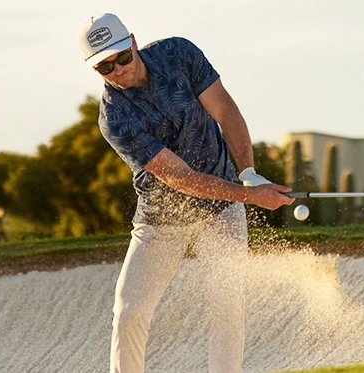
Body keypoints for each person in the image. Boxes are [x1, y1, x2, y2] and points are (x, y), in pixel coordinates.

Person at [77, 13, 294, 373]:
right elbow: (180, 177)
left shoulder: (178, 53)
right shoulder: (115, 117)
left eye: (122, 57)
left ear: (132, 42)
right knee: (129, 312)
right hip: (161, 219)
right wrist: (251, 196)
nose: (117, 70)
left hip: (222, 208)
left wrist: (249, 174)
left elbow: (225, 109)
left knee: (227, 306)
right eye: (104, 67)